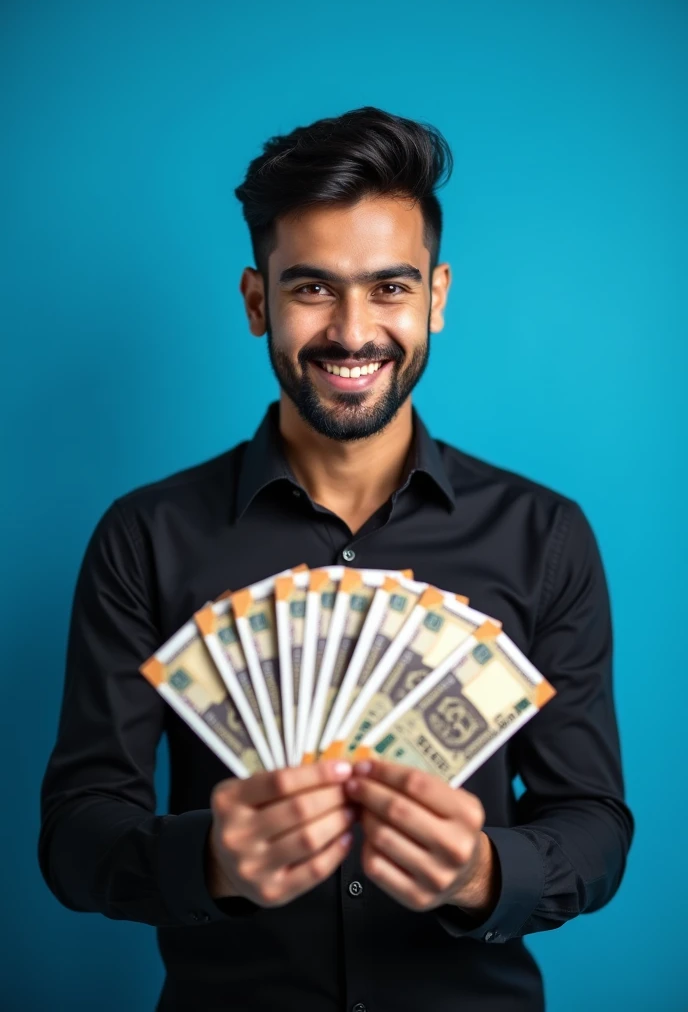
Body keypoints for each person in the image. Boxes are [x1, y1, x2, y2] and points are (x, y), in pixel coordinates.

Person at [39, 106, 634, 1012]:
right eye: (312, 288)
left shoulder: (543, 536)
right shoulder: (145, 537)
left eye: (389, 289)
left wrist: (483, 872)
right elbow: (78, 833)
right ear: (256, 301)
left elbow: (593, 823)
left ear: (435, 297)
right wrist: (205, 861)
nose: (353, 333)